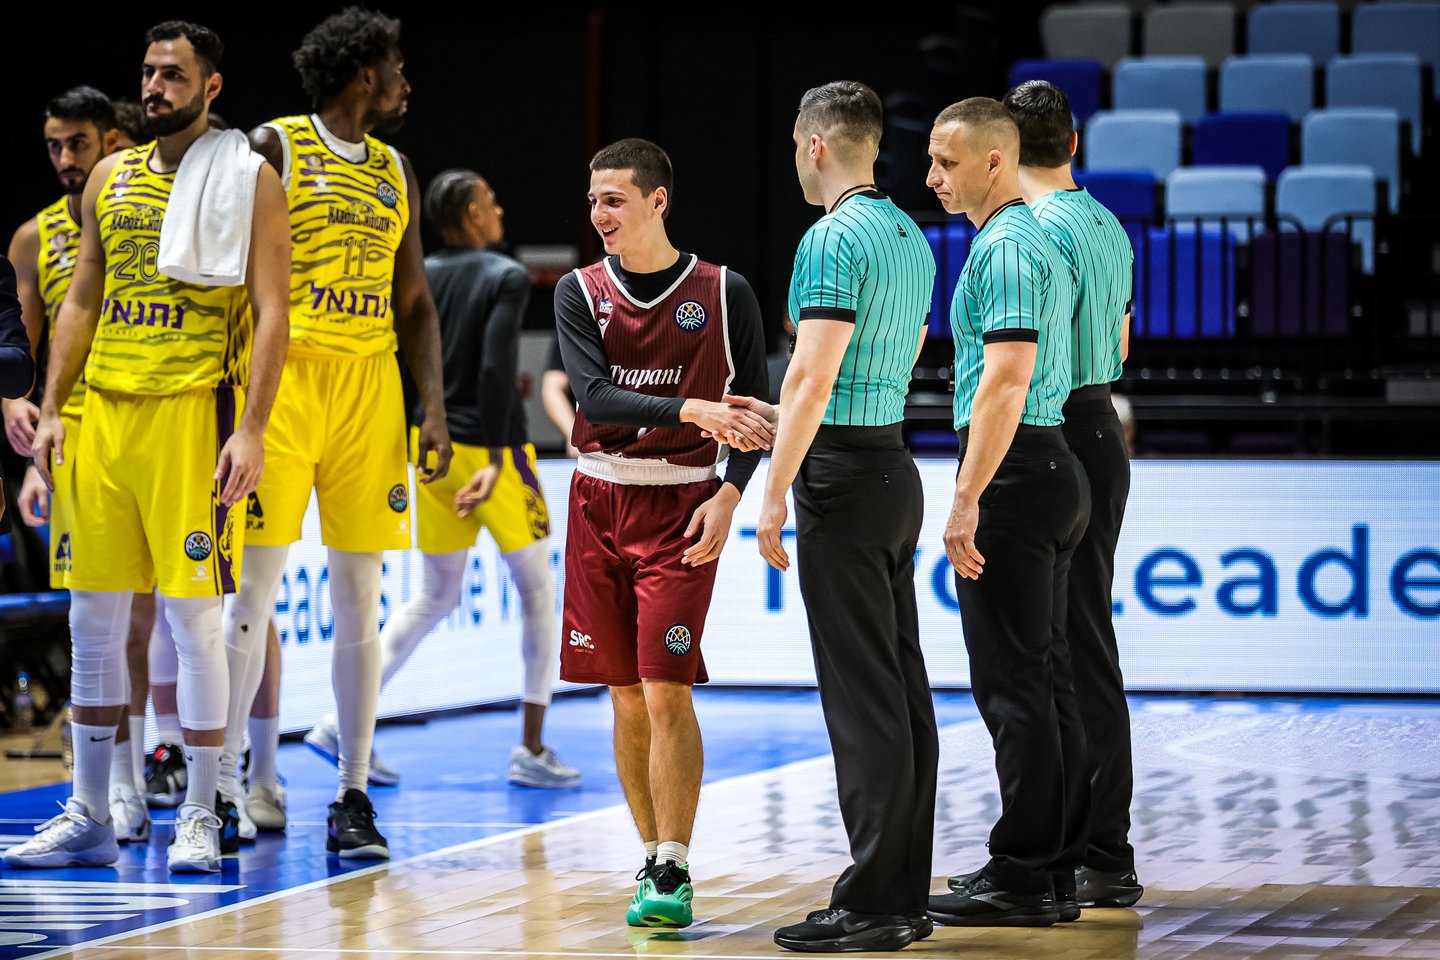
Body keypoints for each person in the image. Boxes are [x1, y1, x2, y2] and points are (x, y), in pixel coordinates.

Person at [4, 19, 289, 873]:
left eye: (173, 73)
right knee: (91, 622)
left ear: (211, 88)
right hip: (105, 416)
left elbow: (273, 311)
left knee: (193, 621)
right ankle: (92, 810)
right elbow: (81, 299)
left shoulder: (249, 178)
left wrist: (252, 429)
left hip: (193, 413)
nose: (155, 85)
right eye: (148, 71)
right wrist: (52, 407)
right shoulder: (111, 177)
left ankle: (201, 809)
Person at [223, 5, 452, 860]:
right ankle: (231, 782)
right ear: (363, 74)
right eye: (396, 66)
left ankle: (351, 793)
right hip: (281, 385)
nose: (404, 81)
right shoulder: (273, 145)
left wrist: (432, 406)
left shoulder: (397, 170)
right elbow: (228, 278)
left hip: (368, 388)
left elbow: (415, 301)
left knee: (361, 595)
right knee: (252, 593)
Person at [741, 82, 937, 954]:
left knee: (862, 700)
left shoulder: (829, 238)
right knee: (900, 689)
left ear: (814, 144)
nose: (795, 159)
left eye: (795, 146)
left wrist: (774, 489)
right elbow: (903, 351)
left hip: (843, 479)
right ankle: (904, 891)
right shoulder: (909, 236)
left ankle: (874, 902)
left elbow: (812, 376)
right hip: (892, 463)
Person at [556, 137, 772, 929]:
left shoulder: (723, 292)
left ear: (658, 201)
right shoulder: (579, 291)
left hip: (680, 504)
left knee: (665, 687)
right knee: (623, 694)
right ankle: (651, 857)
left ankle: (675, 863)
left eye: (613, 200)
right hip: (596, 501)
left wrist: (730, 494)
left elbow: (754, 415)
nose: (599, 214)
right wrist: (690, 408)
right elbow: (594, 397)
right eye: (592, 201)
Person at [314, 168, 577, 788]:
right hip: (492, 450)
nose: (500, 210)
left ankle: (338, 723)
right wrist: (496, 458)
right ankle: (531, 748)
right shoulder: (505, 275)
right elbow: (494, 369)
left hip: (427, 444)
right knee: (539, 594)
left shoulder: (417, 273)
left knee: (435, 596)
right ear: (470, 213)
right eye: (490, 201)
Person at [922, 97, 1088, 927]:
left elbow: (1007, 379)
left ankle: (1023, 872)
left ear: (995, 161)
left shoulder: (1010, 247)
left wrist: (967, 497)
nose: (931, 176)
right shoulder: (1024, 239)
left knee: (1014, 684)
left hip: (1017, 474)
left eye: (946, 162)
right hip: (1043, 464)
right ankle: (1051, 868)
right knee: (1045, 679)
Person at [5, 88, 161, 846]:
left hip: (155, 418)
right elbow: (21, 349)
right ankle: (117, 786)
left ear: (112, 142)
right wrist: (19, 414)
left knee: (163, 620)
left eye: (78, 144)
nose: (65, 159)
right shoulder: (34, 237)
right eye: (54, 146)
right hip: (75, 433)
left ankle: (187, 769)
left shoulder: (142, 212)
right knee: (103, 617)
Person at [1003, 79, 1141, 910]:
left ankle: (1081, 848)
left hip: (1056, 424)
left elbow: (1034, 356)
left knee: (1056, 651)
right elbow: (1119, 340)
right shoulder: (1107, 223)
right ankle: (1101, 848)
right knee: (1087, 642)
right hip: (1100, 420)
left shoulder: (1032, 232)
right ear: (1075, 145)